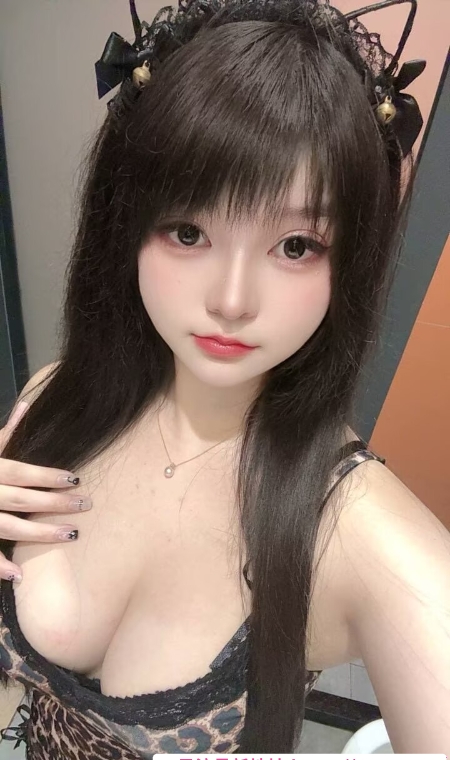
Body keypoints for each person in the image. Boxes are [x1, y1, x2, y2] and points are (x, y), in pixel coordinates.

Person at [0, 0, 448, 756]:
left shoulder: (358, 535)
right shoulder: (56, 396)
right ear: (125, 226)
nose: (232, 300)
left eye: (296, 245)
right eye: (189, 231)